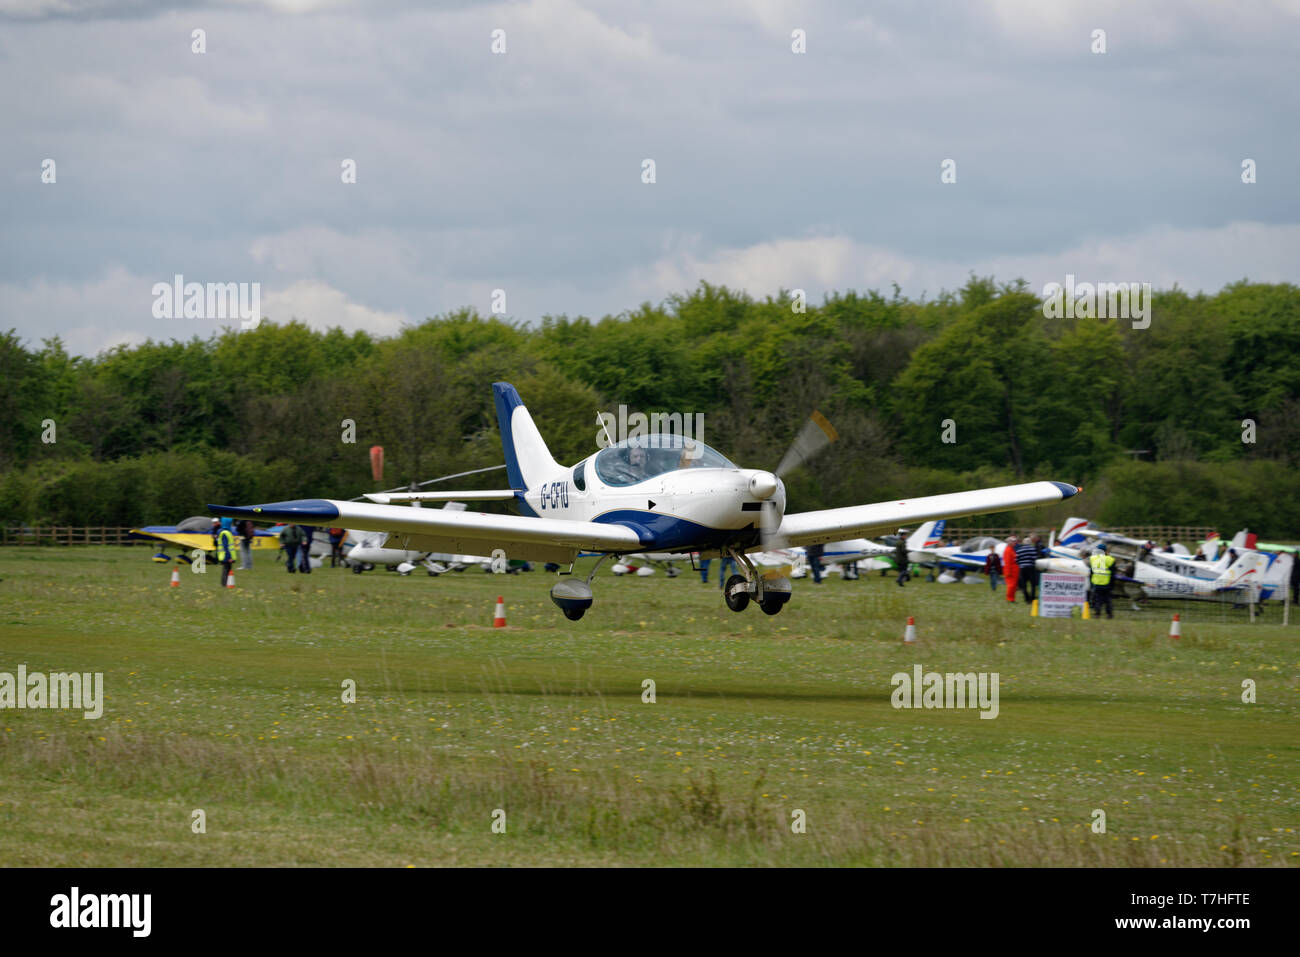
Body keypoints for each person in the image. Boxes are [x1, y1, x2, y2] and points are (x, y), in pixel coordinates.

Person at [1089, 543, 1116, 619]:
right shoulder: (1110, 559)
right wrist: (1112, 585)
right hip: (1107, 583)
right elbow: (1113, 574)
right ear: (1105, 551)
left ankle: (1097, 614)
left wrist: (1091, 583)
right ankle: (1109, 614)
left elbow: (1091, 572)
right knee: (1107, 600)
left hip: (1096, 583)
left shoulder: (1093, 559)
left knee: (1098, 599)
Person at [1015, 535, 1042, 604]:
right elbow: (1035, 558)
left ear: (1023, 542)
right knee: (1033, 584)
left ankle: (1027, 598)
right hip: (1031, 568)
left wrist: (1021, 564)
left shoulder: (1019, 550)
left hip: (1022, 568)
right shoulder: (1032, 549)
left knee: (1024, 585)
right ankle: (1032, 598)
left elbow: (1016, 560)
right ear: (1030, 542)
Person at [214, 518, 237, 588]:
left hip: (223, 555)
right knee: (226, 570)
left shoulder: (221, 532)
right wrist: (229, 557)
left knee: (226, 569)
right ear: (228, 523)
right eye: (231, 523)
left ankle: (226, 583)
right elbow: (226, 546)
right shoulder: (225, 533)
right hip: (226, 556)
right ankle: (224, 584)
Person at [1002, 536, 1020, 602]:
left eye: (1015, 541)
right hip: (1011, 571)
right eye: (1013, 541)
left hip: (1015, 571)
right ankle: (1010, 599)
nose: (1015, 543)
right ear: (1009, 542)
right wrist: (1008, 572)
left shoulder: (1011, 549)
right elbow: (1007, 562)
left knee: (1014, 586)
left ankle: (1012, 598)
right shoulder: (1008, 550)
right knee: (1011, 586)